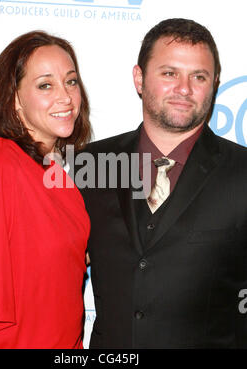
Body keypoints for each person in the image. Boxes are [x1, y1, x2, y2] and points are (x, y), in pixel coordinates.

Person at [77, 18, 247, 348]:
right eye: (169, 73)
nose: (184, 88)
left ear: (213, 85)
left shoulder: (243, 172)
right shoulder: (91, 164)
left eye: (199, 77)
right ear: (139, 78)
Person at [0, 30, 91, 349]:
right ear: (15, 99)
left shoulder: (59, 177)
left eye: (70, 81)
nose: (65, 97)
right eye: (45, 85)